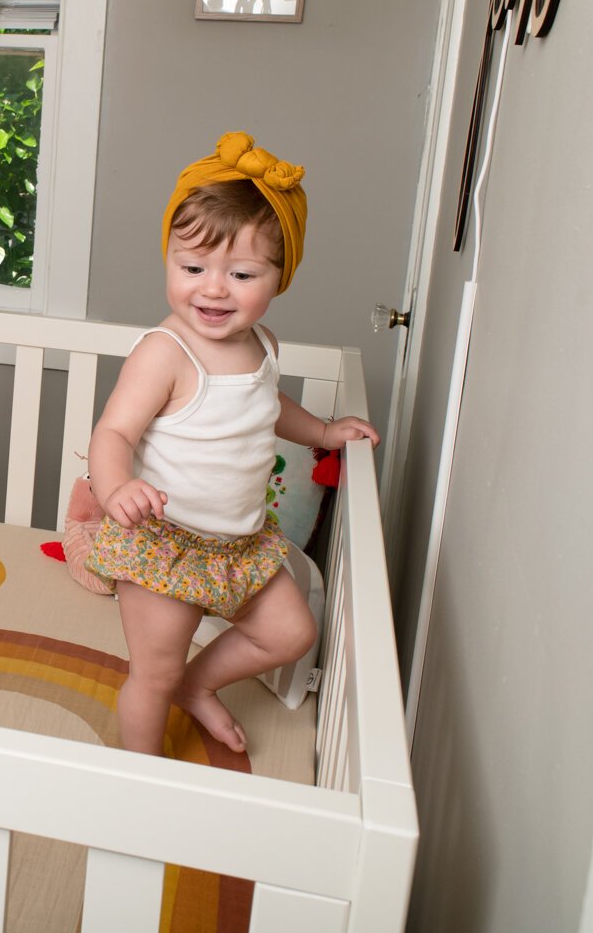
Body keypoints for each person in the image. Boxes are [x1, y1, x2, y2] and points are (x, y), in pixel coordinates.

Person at [85, 131, 379, 758]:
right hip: (165, 546)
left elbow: (268, 409)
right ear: (168, 260)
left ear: (279, 277)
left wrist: (324, 433)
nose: (213, 289)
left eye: (241, 274)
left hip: (240, 542)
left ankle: (201, 686)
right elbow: (113, 432)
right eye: (192, 268)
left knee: (292, 633)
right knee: (152, 674)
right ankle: (138, 776)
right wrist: (116, 489)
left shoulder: (263, 343)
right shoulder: (168, 352)